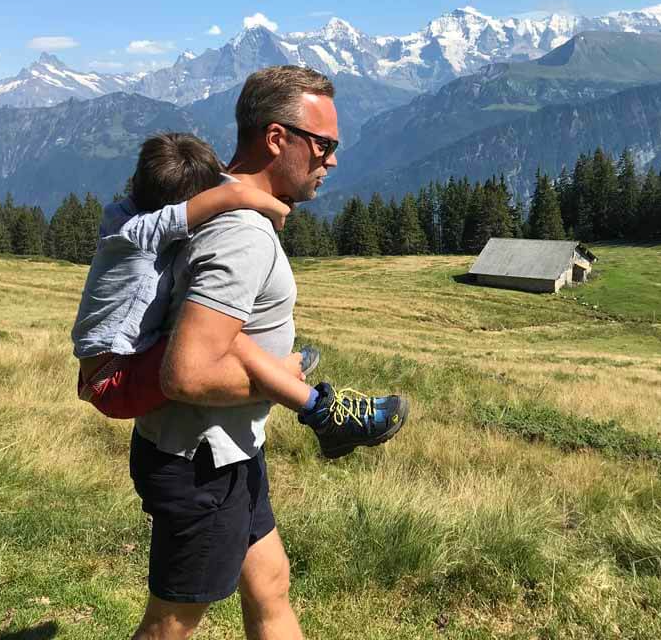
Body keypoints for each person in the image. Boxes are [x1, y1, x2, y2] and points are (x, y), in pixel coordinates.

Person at [130, 66, 409, 640]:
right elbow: (186, 374)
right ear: (278, 139)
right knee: (170, 626)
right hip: (201, 461)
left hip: (229, 450)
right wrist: (285, 382)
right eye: (324, 145)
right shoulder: (241, 233)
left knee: (270, 583)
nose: (332, 161)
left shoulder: (224, 205)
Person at [71, 133, 318, 420]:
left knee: (208, 329)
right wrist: (279, 210)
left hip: (106, 370)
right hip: (114, 380)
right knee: (216, 336)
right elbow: (232, 195)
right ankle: (306, 397)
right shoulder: (143, 233)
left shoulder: (121, 215)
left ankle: (282, 376)